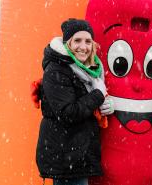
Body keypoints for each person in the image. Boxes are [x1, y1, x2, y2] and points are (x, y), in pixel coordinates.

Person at [35, 18, 113, 185]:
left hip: (77, 155)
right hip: (64, 156)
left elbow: (84, 104)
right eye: (77, 40)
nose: (83, 47)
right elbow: (68, 112)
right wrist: (98, 95)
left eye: (88, 41)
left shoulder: (91, 70)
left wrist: (104, 105)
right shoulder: (56, 69)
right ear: (67, 43)